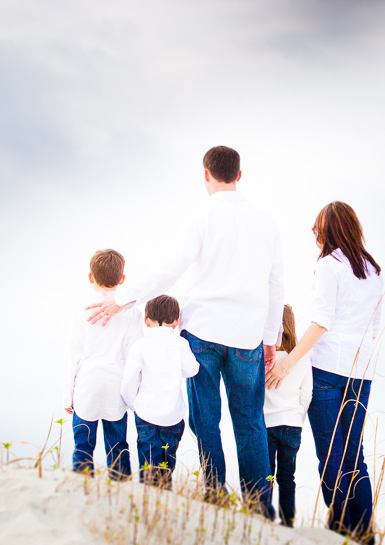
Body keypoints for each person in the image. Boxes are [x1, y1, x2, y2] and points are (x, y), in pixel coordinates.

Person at [88, 146, 284, 517]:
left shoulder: (202, 216)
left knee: (206, 419)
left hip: (203, 333)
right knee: (250, 421)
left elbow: (170, 267)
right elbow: (277, 283)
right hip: (247, 336)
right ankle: (259, 506)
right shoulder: (266, 222)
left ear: (206, 175)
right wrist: (270, 338)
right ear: (239, 175)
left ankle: (214, 495)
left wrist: (123, 299)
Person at [266, 201, 383, 545]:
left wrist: (288, 362)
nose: (314, 234)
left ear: (327, 230)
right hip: (362, 371)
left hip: (329, 368)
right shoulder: (372, 269)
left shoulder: (328, 266)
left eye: (316, 227)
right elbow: (373, 326)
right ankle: (364, 533)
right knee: (354, 455)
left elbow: (321, 322)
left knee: (330, 453)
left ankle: (343, 531)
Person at [62, 249, 142, 480]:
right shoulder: (131, 312)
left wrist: (67, 395)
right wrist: (133, 395)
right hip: (116, 386)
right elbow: (134, 354)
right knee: (118, 446)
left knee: (83, 446)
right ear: (122, 279)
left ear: (91, 277)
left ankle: (82, 488)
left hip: (87, 385)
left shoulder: (81, 310)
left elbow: (72, 356)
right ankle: (121, 491)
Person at [121, 295, 200, 488]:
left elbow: (128, 382)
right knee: (166, 467)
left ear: (147, 321)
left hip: (146, 415)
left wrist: (134, 404)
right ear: (176, 322)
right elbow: (192, 369)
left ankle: (148, 505)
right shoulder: (180, 344)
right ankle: (164, 498)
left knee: (148, 468)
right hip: (173, 418)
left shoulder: (140, 345)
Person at [263, 304, 313, 527]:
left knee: (268, 474)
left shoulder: (262, 359)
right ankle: (287, 520)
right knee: (287, 477)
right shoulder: (301, 358)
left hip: (267, 423)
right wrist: (298, 418)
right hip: (292, 425)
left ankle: (264, 515)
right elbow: (307, 394)